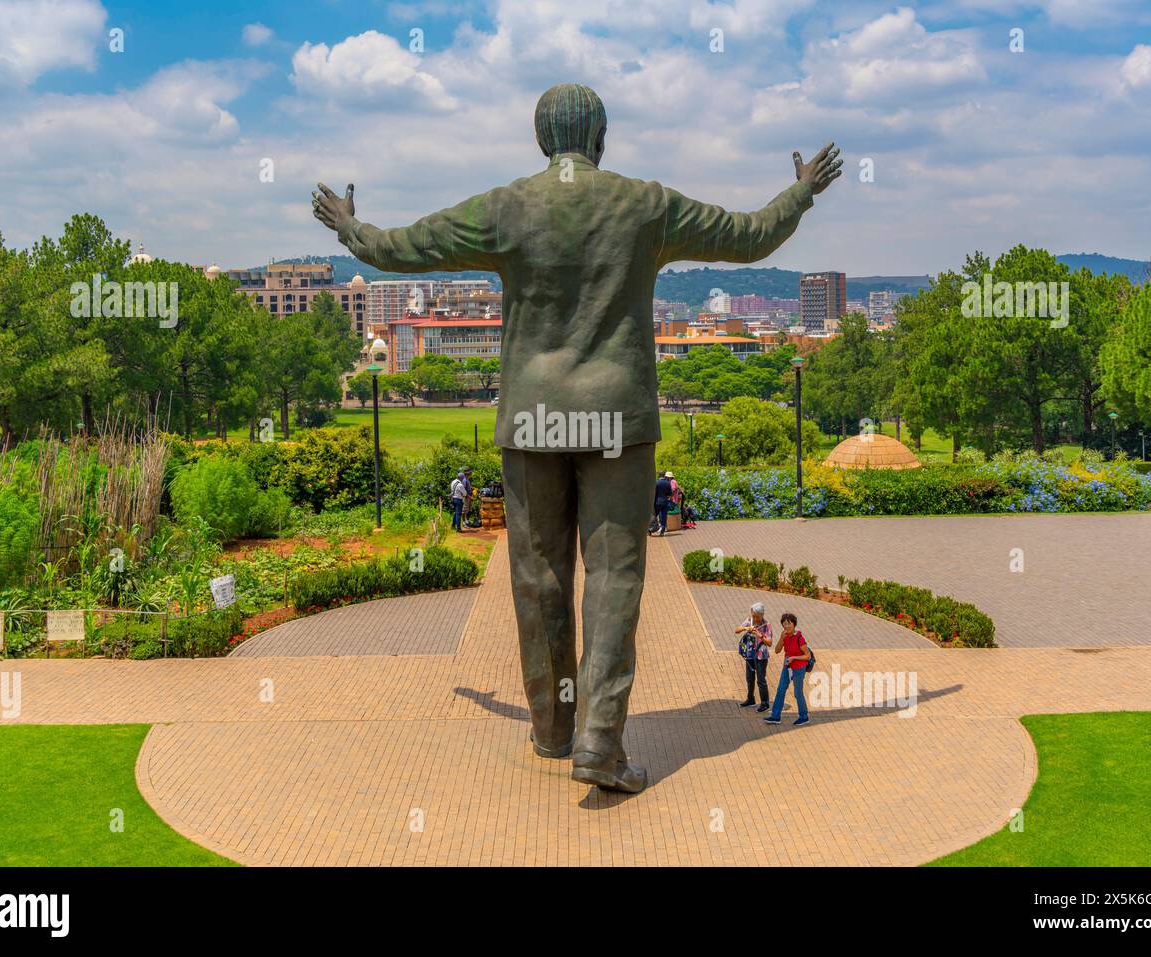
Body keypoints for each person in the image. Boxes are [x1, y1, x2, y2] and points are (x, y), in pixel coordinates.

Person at [313, 82, 841, 794]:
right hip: (616, 420)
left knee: (538, 578)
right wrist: (800, 192)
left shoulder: (507, 207)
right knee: (614, 576)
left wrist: (352, 229)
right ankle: (599, 738)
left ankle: (553, 728)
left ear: (542, 142)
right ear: (599, 139)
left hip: (532, 418)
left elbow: (408, 249)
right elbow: (749, 236)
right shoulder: (645, 204)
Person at [766, 612, 810, 726]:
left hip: (799, 668)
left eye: (789, 624)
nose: (786, 626)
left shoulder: (799, 638)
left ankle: (804, 716)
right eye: (784, 624)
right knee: (780, 690)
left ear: (794, 624)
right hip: (787, 667)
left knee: (798, 693)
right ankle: (775, 716)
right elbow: (777, 650)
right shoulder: (784, 636)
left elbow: (807, 656)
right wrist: (781, 638)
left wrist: (794, 658)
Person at [734, 603, 773, 713]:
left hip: (761, 656)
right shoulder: (749, 620)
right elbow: (736, 630)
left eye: (757, 616)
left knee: (761, 680)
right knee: (749, 678)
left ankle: (765, 703)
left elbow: (769, 643)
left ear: (762, 615)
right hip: (750, 654)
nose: (755, 618)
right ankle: (750, 699)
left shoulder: (767, 626)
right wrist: (746, 628)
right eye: (753, 615)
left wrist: (759, 635)